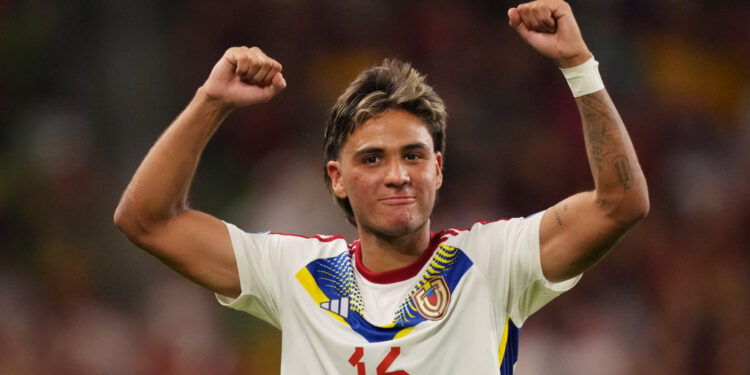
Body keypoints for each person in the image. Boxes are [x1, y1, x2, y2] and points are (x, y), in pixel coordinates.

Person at [114, 0, 649, 373]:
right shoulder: (295, 275)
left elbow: (620, 203)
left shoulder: (494, 262)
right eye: (372, 158)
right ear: (337, 179)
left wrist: (579, 66)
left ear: (438, 169)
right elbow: (147, 219)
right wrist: (212, 102)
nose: (397, 174)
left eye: (413, 155)